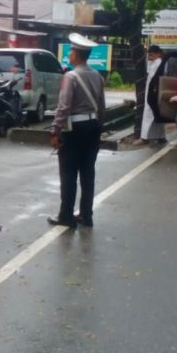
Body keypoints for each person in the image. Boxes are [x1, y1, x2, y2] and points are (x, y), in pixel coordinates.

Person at [48, 33, 106, 229]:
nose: (69, 55)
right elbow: (101, 105)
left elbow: (64, 107)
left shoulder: (70, 76)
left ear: (77, 55)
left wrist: (55, 130)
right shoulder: (97, 76)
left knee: (69, 173)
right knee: (88, 173)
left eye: (71, 51)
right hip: (93, 127)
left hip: (74, 130)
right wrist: (99, 126)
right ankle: (86, 216)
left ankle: (66, 216)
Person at [140, 45, 166, 144]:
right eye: (149, 54)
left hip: (153, 93)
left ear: (157, 54)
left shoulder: (158, 63)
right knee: (156, 115)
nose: (149, 56)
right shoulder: (154, 63)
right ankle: (160, 136)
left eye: (151, 54)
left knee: (149, 114)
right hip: (152, 92)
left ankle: (144, 137)